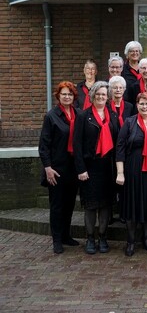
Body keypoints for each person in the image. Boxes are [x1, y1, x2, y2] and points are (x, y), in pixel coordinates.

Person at [116, 92, 147, 257]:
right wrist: (120, 172)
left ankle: (146, 238)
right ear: (137, 105)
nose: (145, 107)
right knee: (133, 202)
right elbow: (120, 148)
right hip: (133, 168)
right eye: (142, 104)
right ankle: (131, 241)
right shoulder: (129, 123)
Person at [73, 81, 119, 254]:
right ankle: (90, 238)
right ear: (92, 96)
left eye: (103, 94)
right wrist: (81, 169)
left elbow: (118, 143)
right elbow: (76, 145)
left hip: (108, 168)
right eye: (98, 94)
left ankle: (103, 237)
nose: (101, 97)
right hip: (90, 167)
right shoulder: (83, 116)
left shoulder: (113, 116)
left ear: (108, 97)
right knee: (91, 206)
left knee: (106, 205)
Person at [38, 81, 81, 254]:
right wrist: (47, 167)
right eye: (64, 94)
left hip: (73, 167)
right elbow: (44, 145)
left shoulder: (78, 114)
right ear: (58, 96)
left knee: (69, 203)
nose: (67, 97)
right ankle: (56, 239)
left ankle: (66, 235)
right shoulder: (51, 116)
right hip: (56, 168)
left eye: (70, 94)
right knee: (57, 205)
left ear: (73, 97)